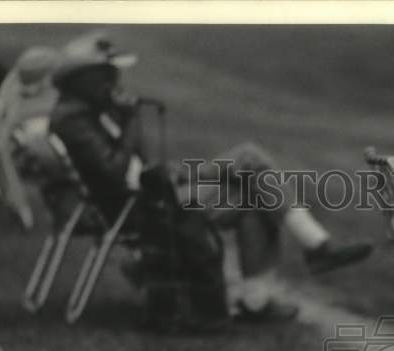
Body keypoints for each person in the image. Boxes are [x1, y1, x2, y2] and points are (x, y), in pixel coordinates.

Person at [48, 32, 371, 326]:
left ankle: (305, 256)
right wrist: (131, 120)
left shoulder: (87, 110)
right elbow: (116, 172)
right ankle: (297, 261)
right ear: (84, 79)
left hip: (154, 190)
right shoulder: (73, 120)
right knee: (253, 178)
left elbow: (136, 161)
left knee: (250, 163)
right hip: (143, 206)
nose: (115, 80)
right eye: (107, 74)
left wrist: (126, 122)